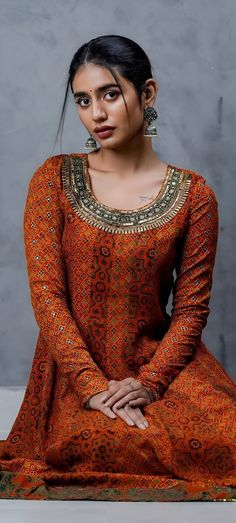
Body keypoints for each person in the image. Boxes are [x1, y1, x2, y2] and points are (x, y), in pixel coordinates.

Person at [0, 34, 235, 502]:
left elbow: (190, 311)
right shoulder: (54, 179)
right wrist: (91, 387)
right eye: (83, 100)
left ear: (146, 93)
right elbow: (47, 294)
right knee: (91, 443)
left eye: (110, 93)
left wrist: (148, 385)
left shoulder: (193, 196)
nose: (97, 114)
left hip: (156, 366)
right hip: (73, 371)